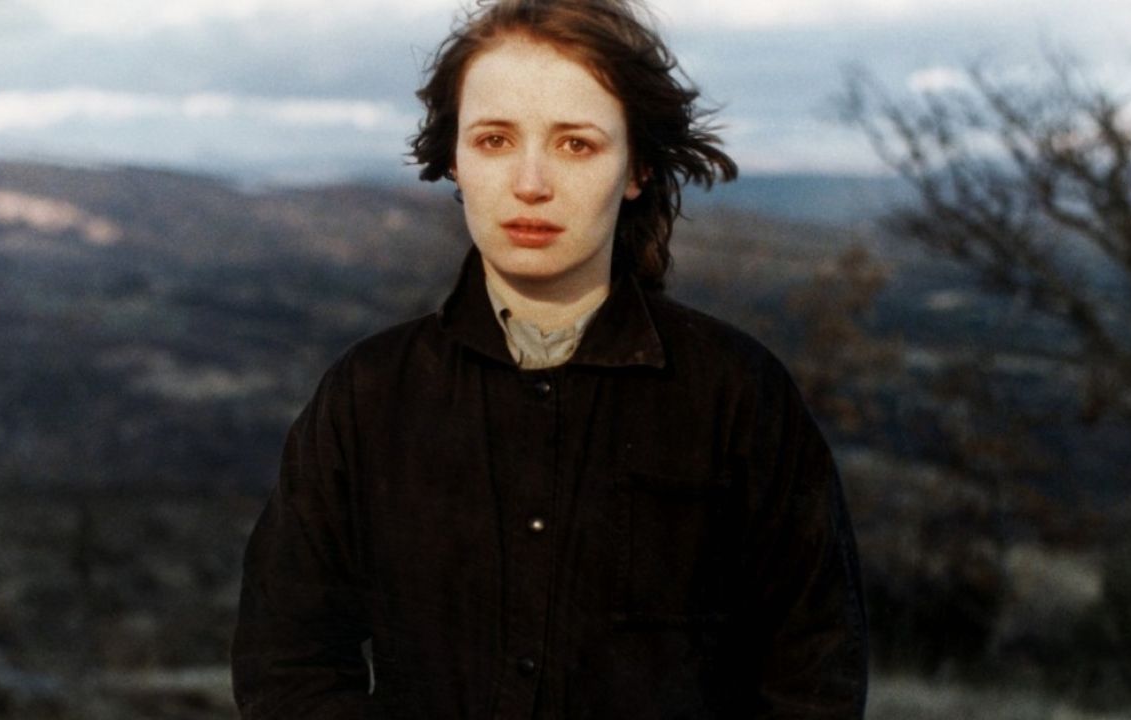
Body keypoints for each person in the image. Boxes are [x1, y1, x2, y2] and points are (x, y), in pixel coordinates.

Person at [231, 0, 868, 717]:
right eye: (495, 139)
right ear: (454, 159)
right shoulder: (368, 394)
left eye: (576, 144)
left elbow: (814, 677)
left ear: (637, 167)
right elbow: (287, 669)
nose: (530, 182)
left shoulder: (737, 393)